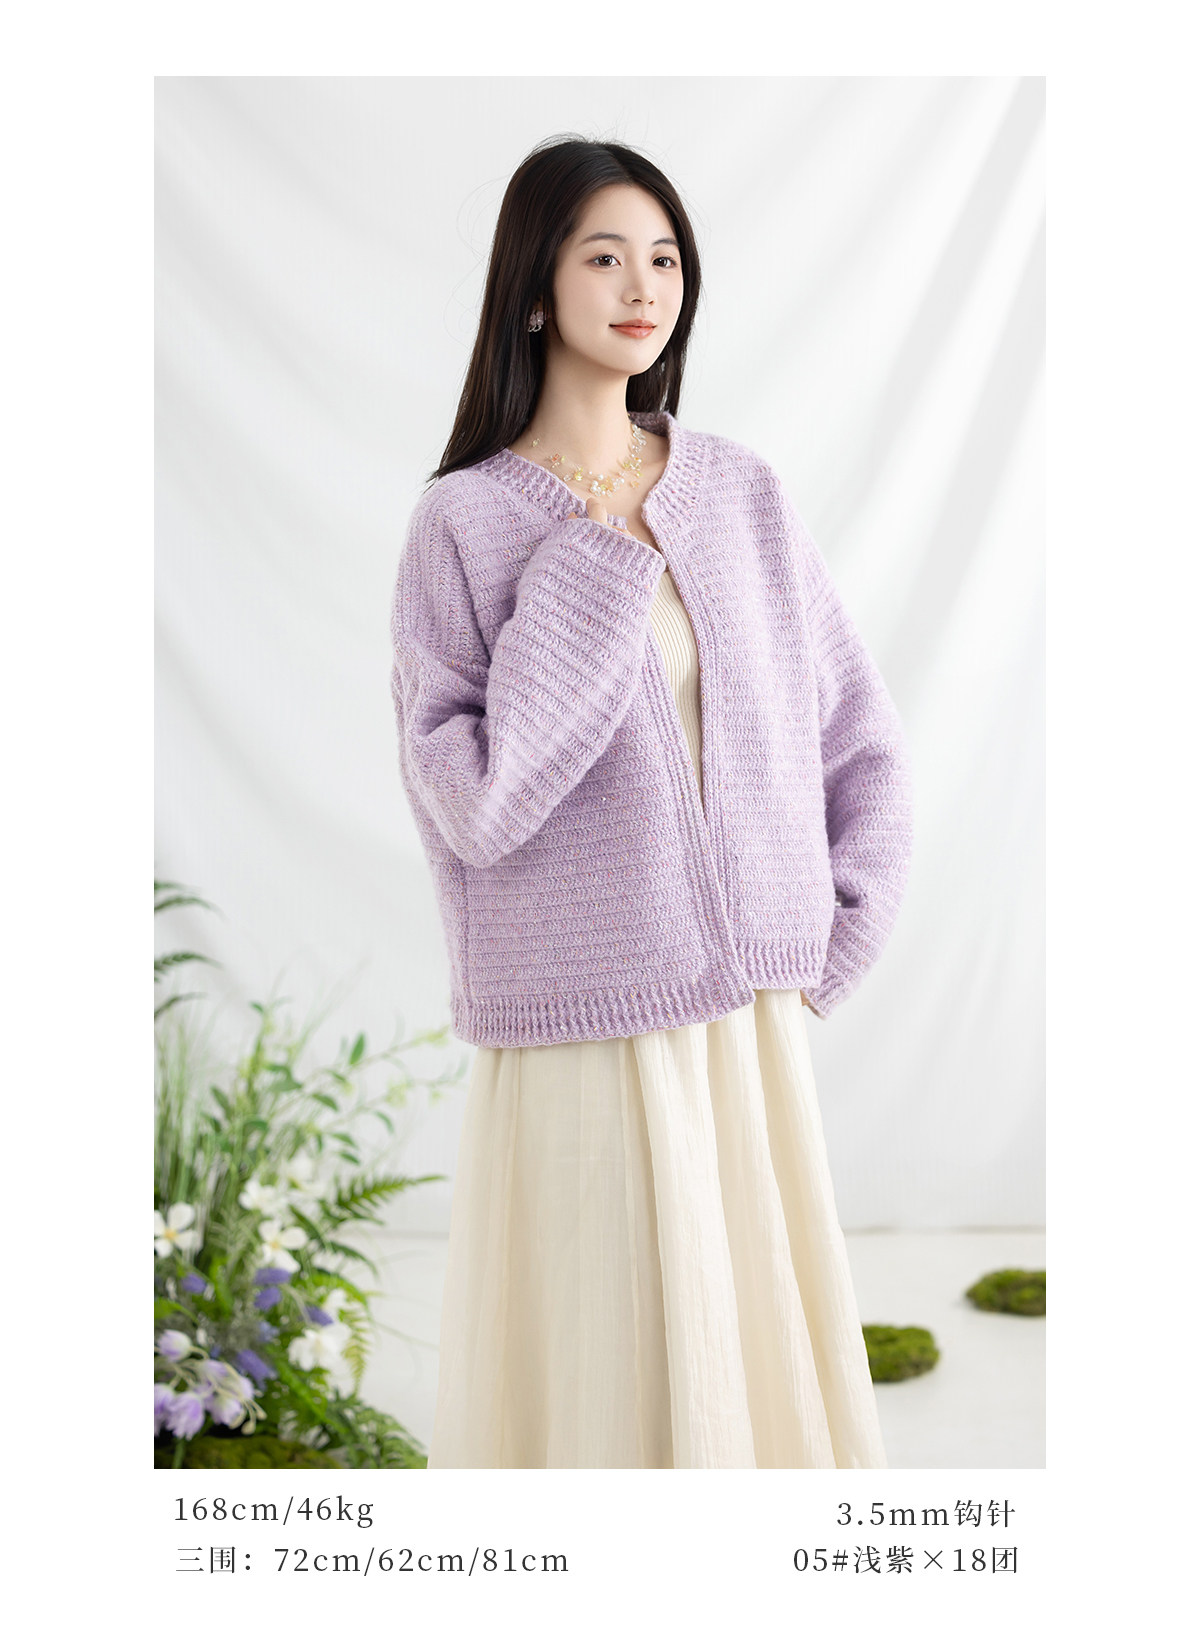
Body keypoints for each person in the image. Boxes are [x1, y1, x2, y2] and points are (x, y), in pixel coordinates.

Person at [389, 136, 913, 1467]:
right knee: (609, 1402)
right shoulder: (465, 525)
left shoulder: (736, 491)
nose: (644, 288)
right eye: (605, 257)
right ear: (534, 289)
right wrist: (585, 573)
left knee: (758, 1400)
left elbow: (856, 731)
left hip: (747, 1029)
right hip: (582, 1036)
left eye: (666, 258)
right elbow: (474, 807)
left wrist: (835, 922)